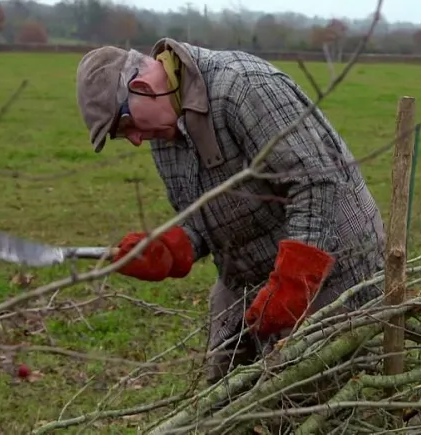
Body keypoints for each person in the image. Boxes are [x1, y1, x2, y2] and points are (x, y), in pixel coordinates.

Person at [75, 38, 386, 384]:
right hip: (246, 276)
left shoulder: (240, 85)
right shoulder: (163, 136)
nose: (134, 140)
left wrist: (294, 282)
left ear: (142, 87)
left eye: (126, 125)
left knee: (315, 394)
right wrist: (171, 248)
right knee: (223, 391)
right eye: (123, 136)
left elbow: (315, 182)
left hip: (335, 265)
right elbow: (201, 219)